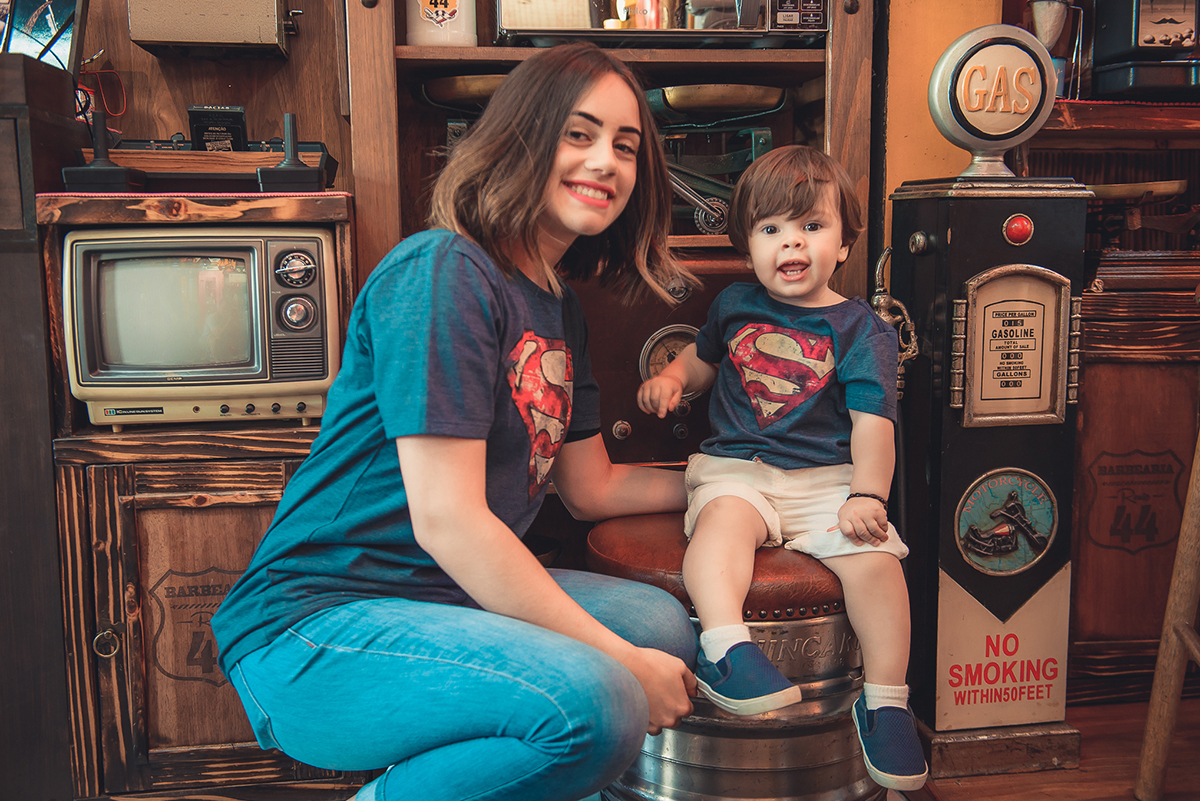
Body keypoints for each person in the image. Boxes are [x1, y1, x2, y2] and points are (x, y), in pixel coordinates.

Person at [210, 42, 701, 801]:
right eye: (579, 134)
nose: (606, 160)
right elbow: (448, 521)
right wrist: (619, 663)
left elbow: (592, 487)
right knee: (604, 699)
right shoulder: (444, 270)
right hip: (315, 624)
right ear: (522, 137)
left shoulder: (557, 303)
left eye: (625, 145)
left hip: (438, 594)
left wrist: (724, 483)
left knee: (658, 623)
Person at [636, 144, 927, 791]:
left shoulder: (861, 329)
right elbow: (704, 360)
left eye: (811, 226)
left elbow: (873, 424)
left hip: (826, 482)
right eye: (771, 229)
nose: (790, 243)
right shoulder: (735, 304)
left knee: (878, 563)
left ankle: (885, 702)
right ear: (747, 245)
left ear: (845, 243)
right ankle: (725, 645)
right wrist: (672, 378)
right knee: (721, 529)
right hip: (738, 468)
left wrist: (867, 494)